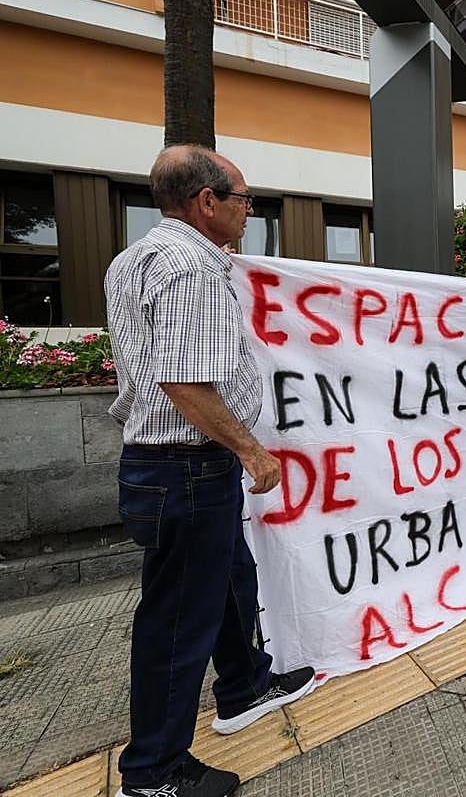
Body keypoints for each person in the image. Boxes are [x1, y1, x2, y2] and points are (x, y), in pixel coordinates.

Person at [105, 146, 316, 797]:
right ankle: (154, 775)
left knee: (230, 577)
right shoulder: (191, 266)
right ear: (207, 202)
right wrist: (252, 450)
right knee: (177, 623)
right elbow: (184, 383)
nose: (250, 212)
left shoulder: (131, 258)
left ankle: (245, 683)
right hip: (185, 468)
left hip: (179, 469)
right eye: (244, 200)